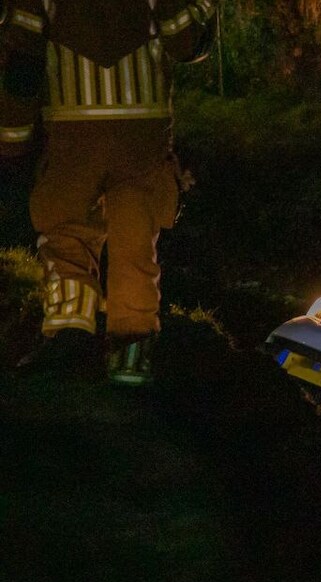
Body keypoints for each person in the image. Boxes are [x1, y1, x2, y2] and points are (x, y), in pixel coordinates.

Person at [0, 0, 215, 384]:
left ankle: (69, 334)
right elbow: (187, 42)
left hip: (70, 132)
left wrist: (13, 141)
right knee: (135, 235)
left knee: (66, 232)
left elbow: (21, 60)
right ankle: (132, 349)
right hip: (143, 133)